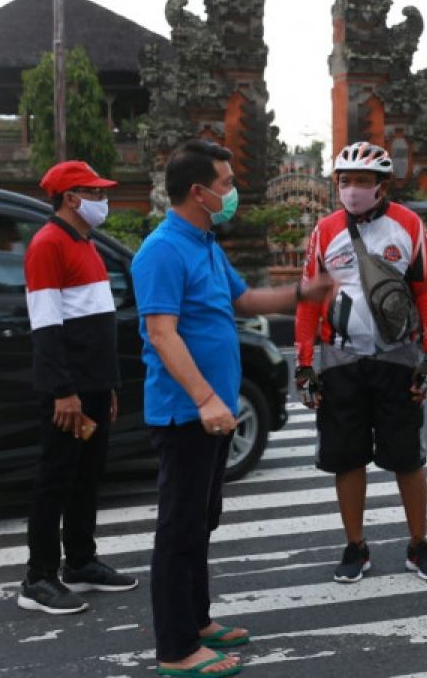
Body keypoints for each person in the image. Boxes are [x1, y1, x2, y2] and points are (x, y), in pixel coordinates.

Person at [131, 140, 332, 677]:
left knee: (201, 521)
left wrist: (303, 293)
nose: (231, 192)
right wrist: (204, 399)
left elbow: (242, 301)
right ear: (198, 192)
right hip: (186, 415)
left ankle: (197, 622)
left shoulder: (204, 244)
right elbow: (161, 334)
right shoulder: (161, 251)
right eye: (224, 183)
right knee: (178, 529)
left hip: (214, 414)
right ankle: (176, 650)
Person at [294, 141, 427, 584]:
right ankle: (355, 546)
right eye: (345, 181)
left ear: (381, 186)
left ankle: (419, 546)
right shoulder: (324, 231)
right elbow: (308, 303)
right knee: (347, 458)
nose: (352, 189)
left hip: (397, 357)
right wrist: (305, 364)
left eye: (362, 181)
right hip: (340, 358)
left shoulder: (408, 225)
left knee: (406, 458)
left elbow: (426, 292)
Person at [19, 160, 137, 615]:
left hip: (92, 386)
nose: (103, 201)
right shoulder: (48, 244)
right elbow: (45, 326)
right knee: (55, 480)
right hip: (66, 392)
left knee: (87, 478)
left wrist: (105, 388)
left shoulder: (83, 242)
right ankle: (39, 577)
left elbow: (94, 325)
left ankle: (81, 562)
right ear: (71, 198)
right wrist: (63, 392)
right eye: (95, 192)